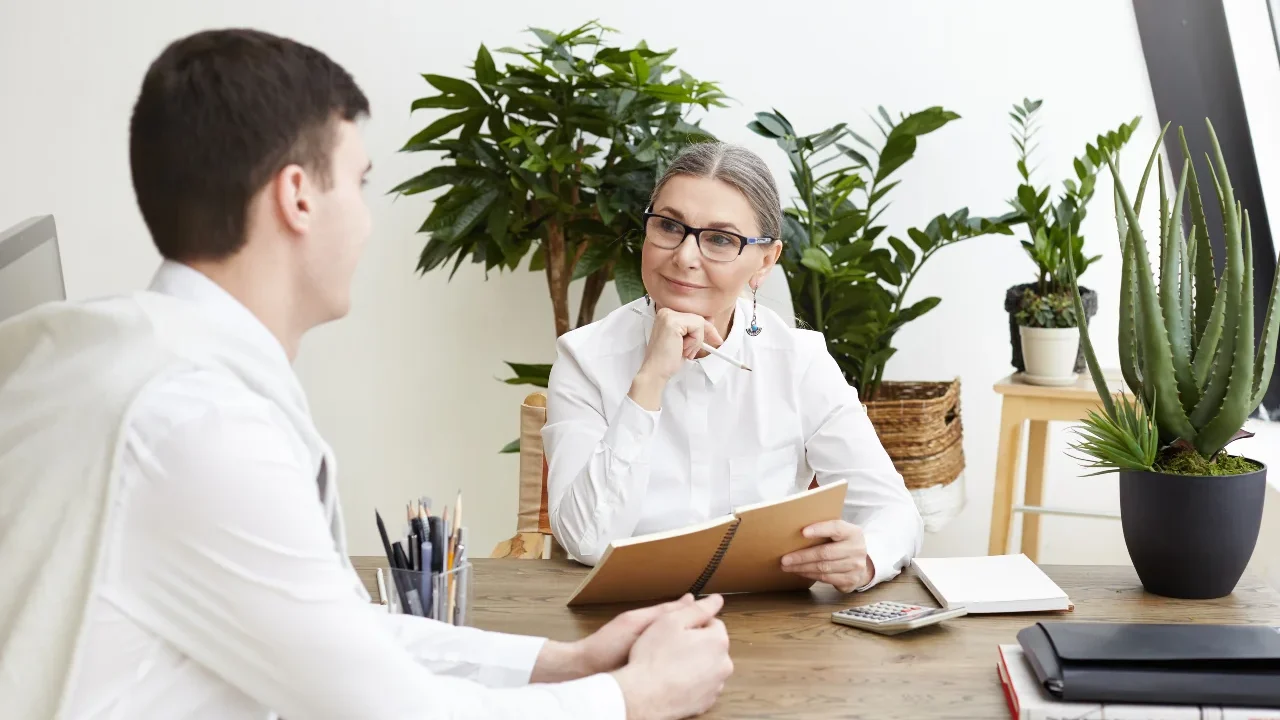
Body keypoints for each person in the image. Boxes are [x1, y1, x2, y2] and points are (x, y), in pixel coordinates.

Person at [0, 28, 733, 720]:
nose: (369, 220)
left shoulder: (139, 358)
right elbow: (387, 710)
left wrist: (563, 662)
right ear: (297, 197)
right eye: (361, 181)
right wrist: (631, 697)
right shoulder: (197, 423)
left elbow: (341, 634)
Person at [543, 142, 924, 593]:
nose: (684, 256)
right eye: (669, 226)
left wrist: (864, 557)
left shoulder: (799, 362)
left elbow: (894, 511)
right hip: (624, 619)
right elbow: (587, 540)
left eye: (720, 239)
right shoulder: (585, 358)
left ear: (764, 261)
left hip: (769, 628)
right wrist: (649, 381)